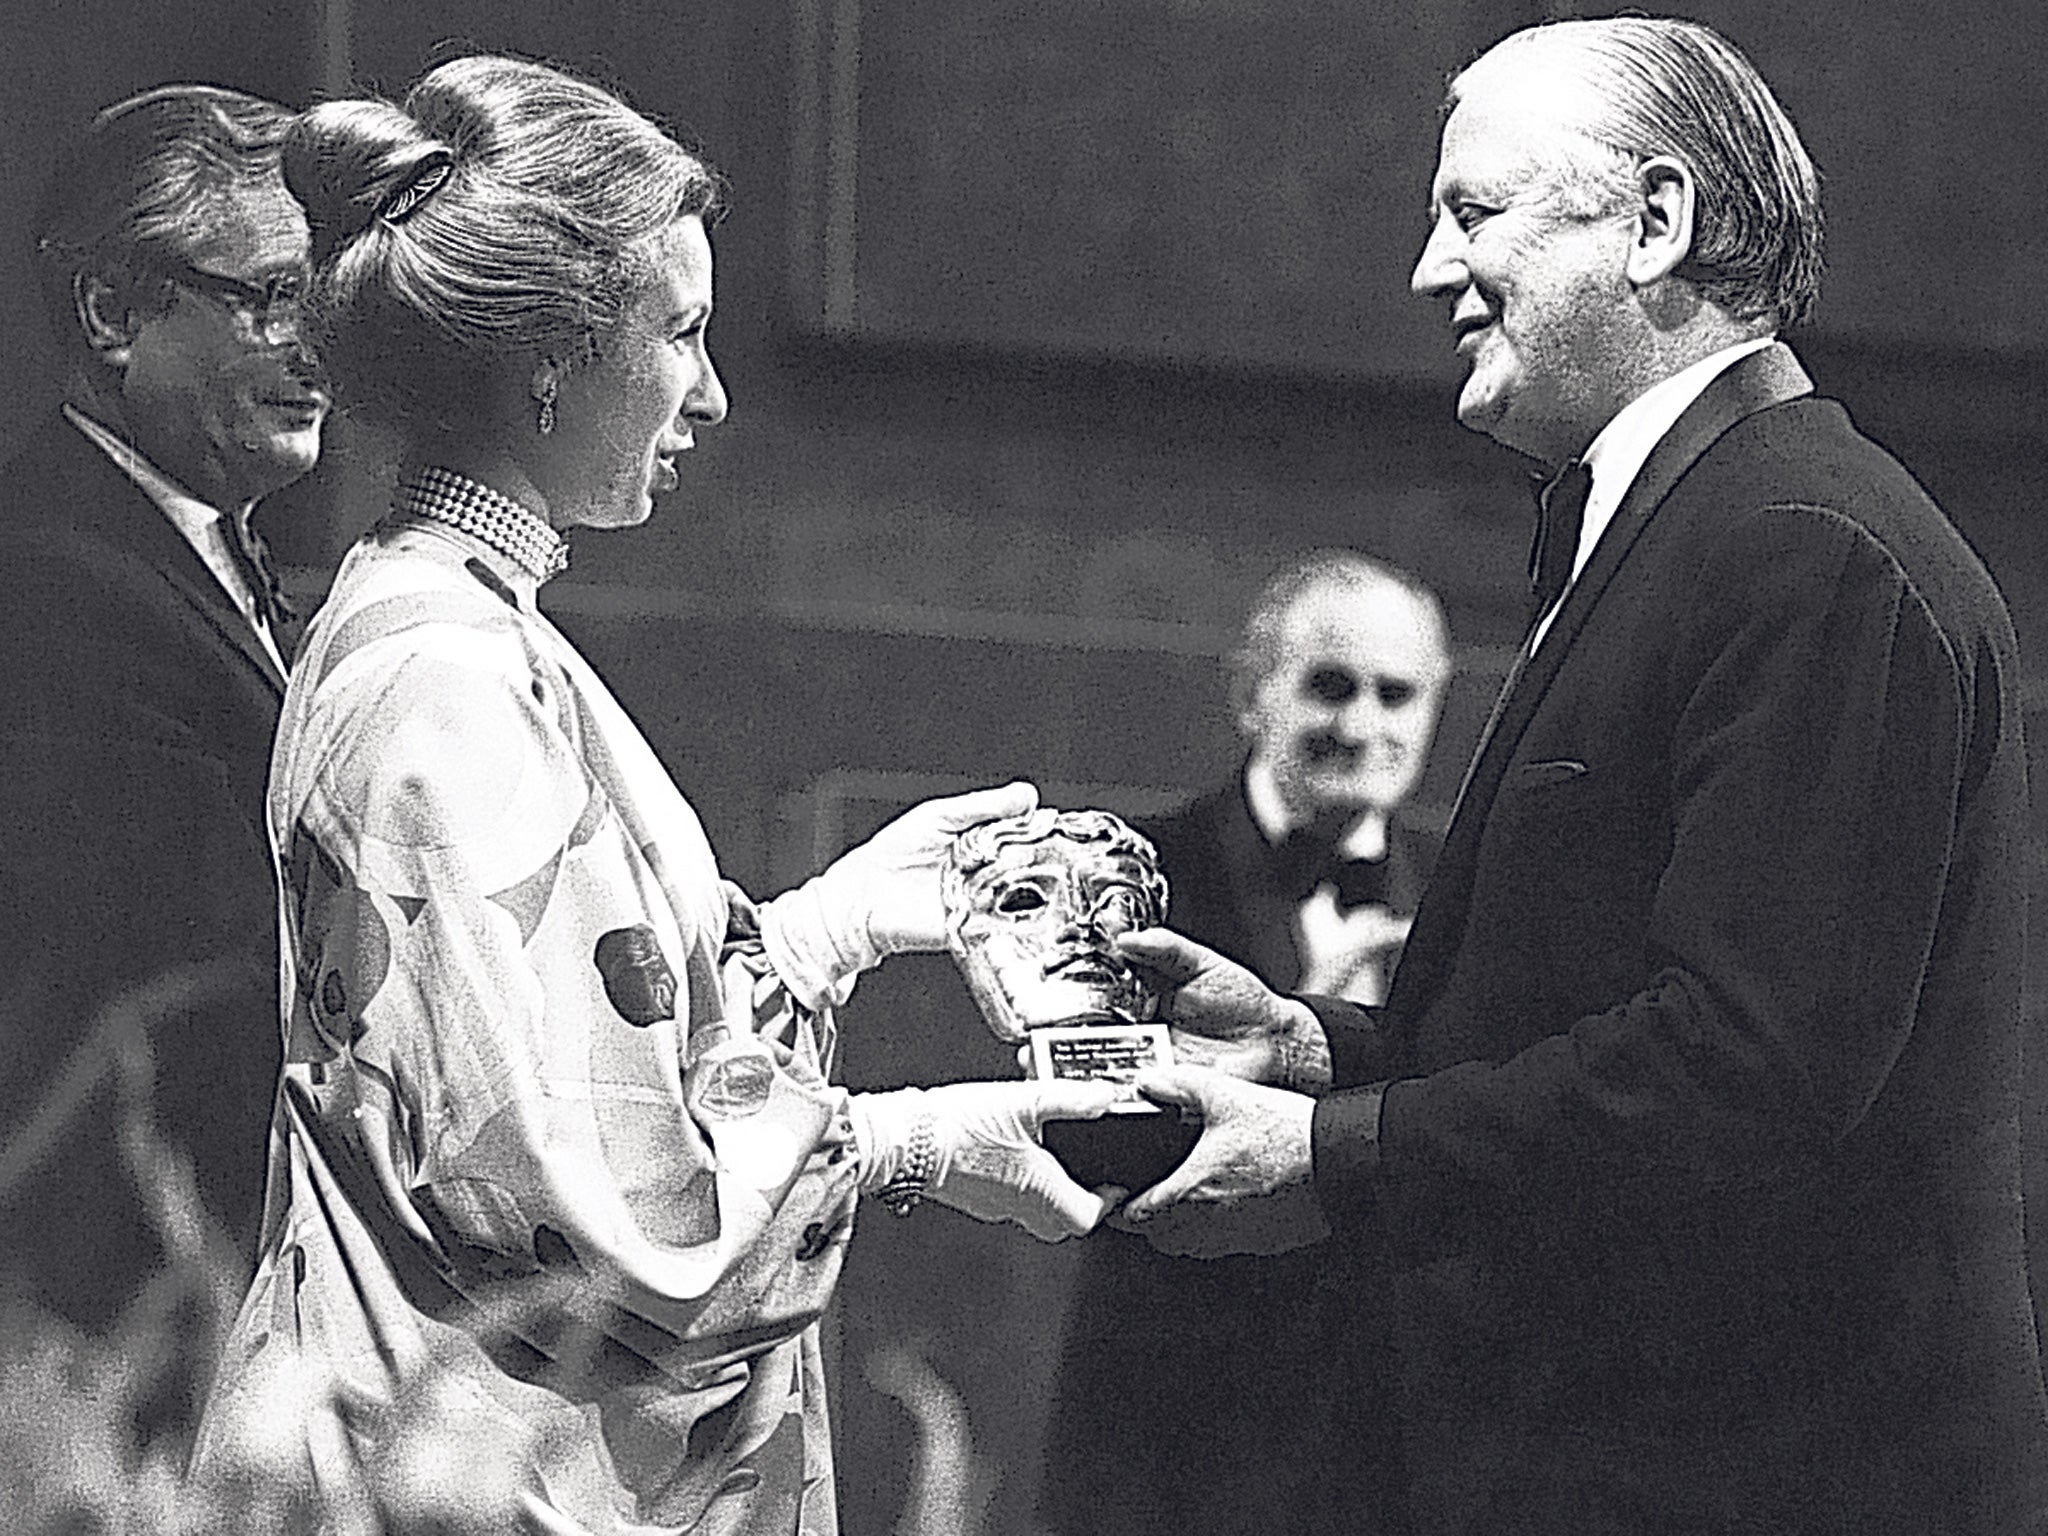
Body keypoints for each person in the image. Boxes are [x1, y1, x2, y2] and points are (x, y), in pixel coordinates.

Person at [1117, 17, 2048, 1535]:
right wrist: (1320, 1052)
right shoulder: (1716, 525)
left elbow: (1751, 1069)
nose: (1430, 272)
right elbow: (1584, 1012)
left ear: (1657, 223)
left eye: (1472, 211)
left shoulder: (1809, 549)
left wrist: (1332, 1153)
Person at [187, 57, 1120, 1535]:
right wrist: (916, 1145)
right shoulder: (447, 679)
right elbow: (572, 1211)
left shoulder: (455, 627)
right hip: (448, 1469)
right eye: (680, 333)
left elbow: (572, 1034)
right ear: (552, 360)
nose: (712, 391)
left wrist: (823, 931)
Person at [0, 84, 326, 1375]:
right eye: (271, 301)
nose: (319, 355)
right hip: (123, 1341)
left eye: (329, 306)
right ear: (112, 313)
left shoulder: (194, 552)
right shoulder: (54, 590)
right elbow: (132, 1049)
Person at [1040, 554, 1449, 1536]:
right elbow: (1081, 1137)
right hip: (1173, 1425)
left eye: (1394, 694)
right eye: (1327, 686)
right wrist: (1305, 1030)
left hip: (1388, 1438)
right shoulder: (1131, 875)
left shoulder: (1461, 894)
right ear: (1247, 694)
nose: (1360, 726)